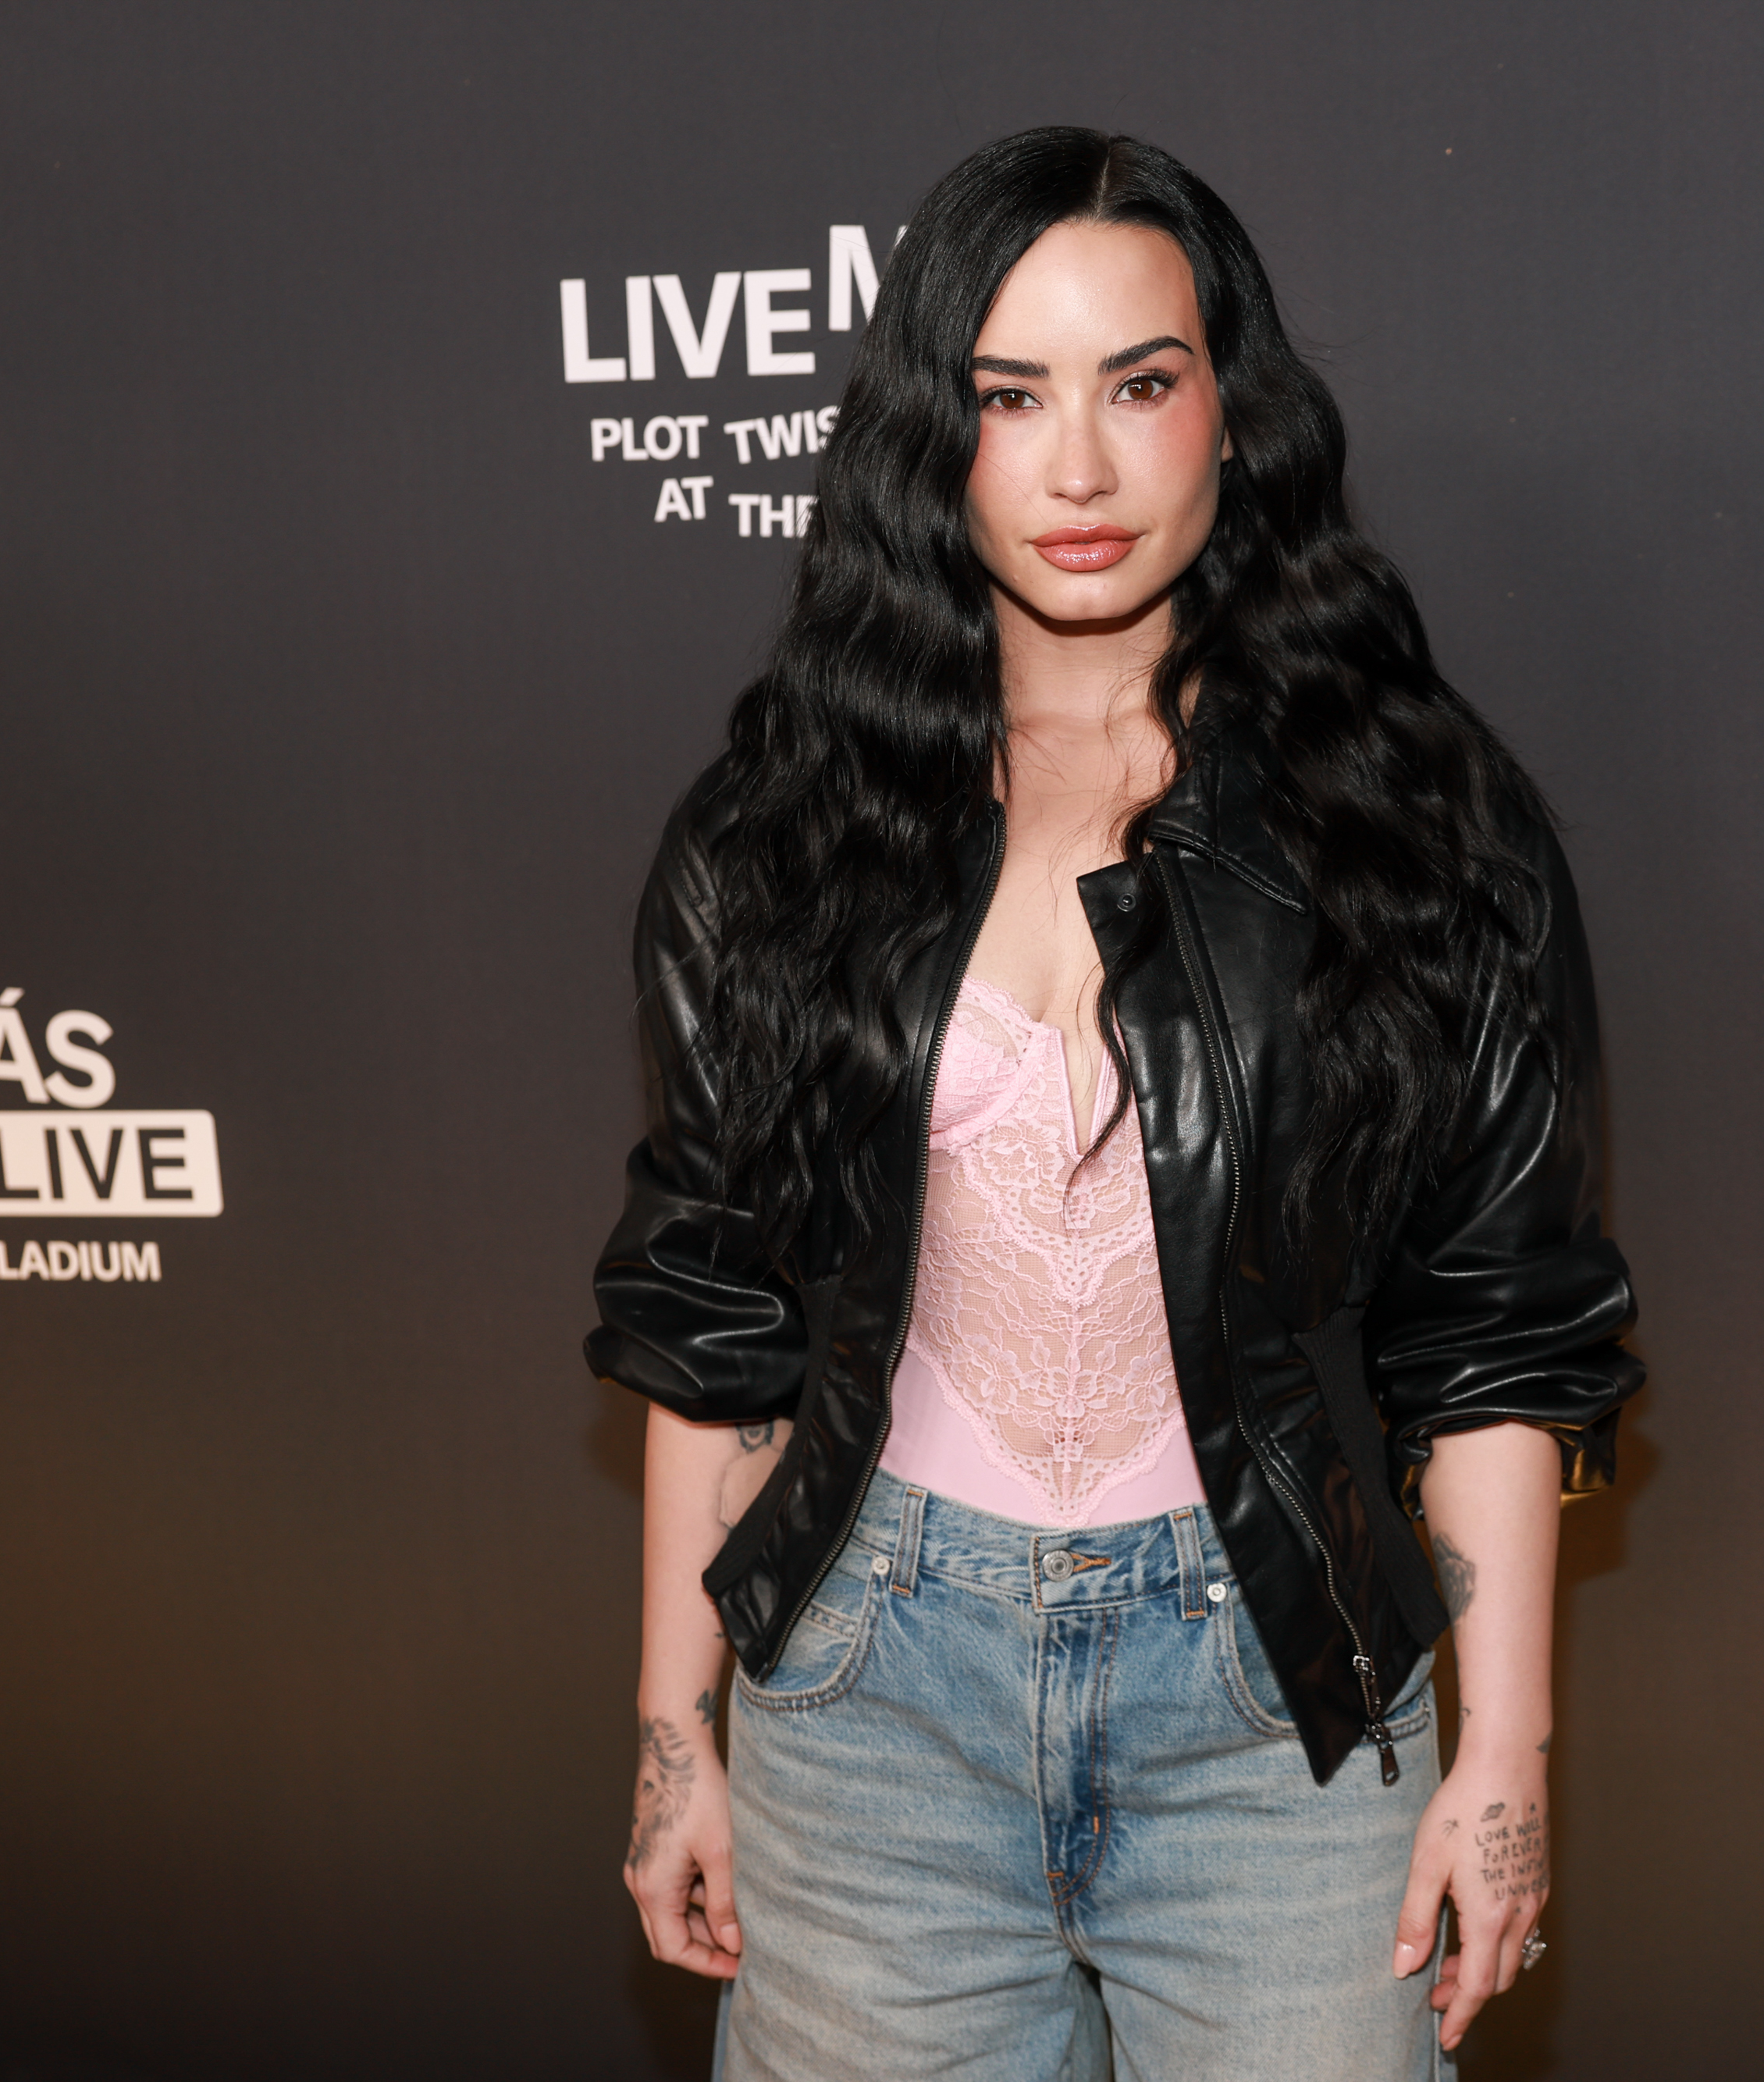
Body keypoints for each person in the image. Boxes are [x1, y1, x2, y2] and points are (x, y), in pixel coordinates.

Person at [587, 126, 1641, 2080]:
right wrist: (677, 1732)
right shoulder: (785, 831)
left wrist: (1500, 1761)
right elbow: (709, 1311)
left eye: (1138, 384)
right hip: (869, 1694)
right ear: (931, 434)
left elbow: (1492, 1331)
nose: (1076, 466)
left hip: (1276, 1698)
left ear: (1229, 416)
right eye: (1008, 396)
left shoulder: (1417, 825)